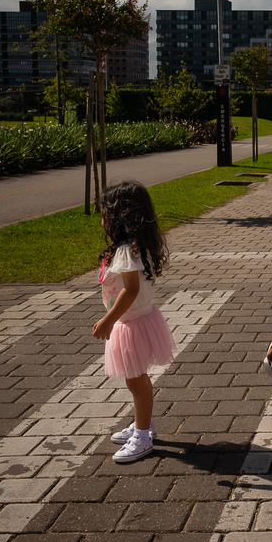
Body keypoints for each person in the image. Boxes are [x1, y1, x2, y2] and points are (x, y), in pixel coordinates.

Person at [93, 181, 176, 463]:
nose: (102, 220)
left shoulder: (127, 250)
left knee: (136, 381)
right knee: (136, 379)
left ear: (120, 216)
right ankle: (144, 423)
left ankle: (142, 436)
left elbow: (130, 289)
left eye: (105, 214)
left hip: (132, 323)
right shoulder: (131, 247)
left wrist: (108, 320)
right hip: (135, 319)